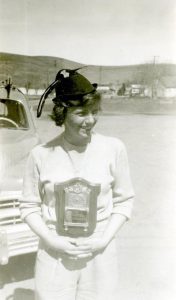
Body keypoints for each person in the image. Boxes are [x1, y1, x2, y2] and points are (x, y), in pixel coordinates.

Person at [20, 68, 134, 300]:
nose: (90, 120)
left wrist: (102, 240)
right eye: (81, 113)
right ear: (62, 113)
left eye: (94, 112)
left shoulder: (114, 149)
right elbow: (28, 206)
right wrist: (52, 241)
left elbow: (124, 201)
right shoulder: (40, 154)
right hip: (54, 254)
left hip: (99, 252)